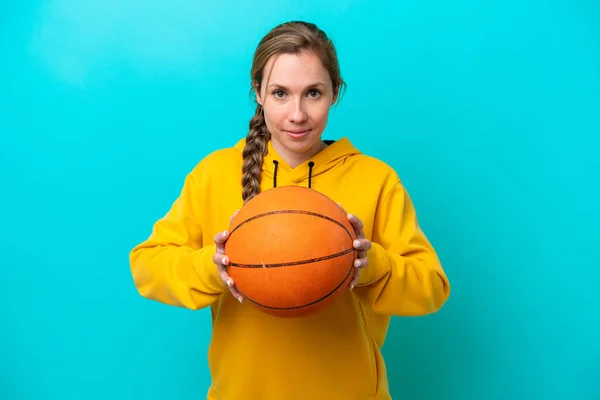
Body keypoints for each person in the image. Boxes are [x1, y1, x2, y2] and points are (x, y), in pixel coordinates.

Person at [129, 20, 450, 400]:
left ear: (335, 93)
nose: (297, 114)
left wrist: (372, 266)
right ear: (258, 93)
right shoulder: (214, 173)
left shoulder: (376, 180)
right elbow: (147, 265)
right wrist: (212, 268)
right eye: (280, 93)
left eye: (313, 93)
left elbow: (432, 287)